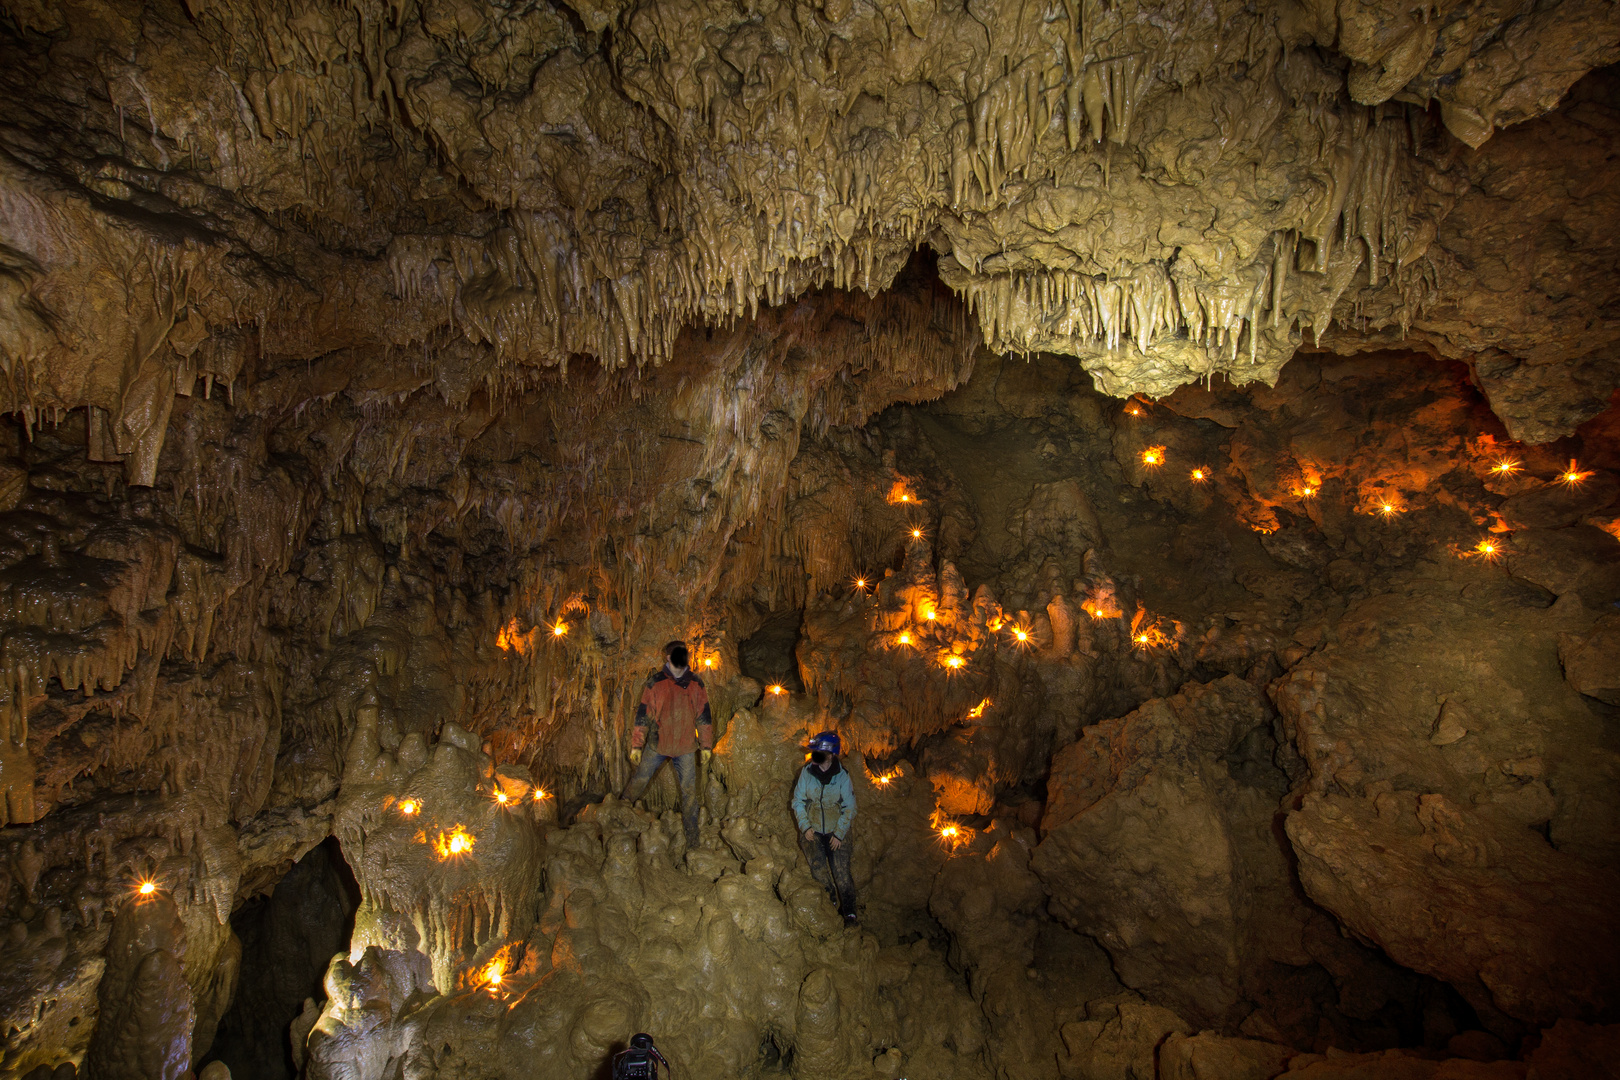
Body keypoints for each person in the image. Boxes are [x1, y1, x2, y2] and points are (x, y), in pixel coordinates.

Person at [623, 641, 713, 847]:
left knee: (689, 793)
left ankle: (692, 837)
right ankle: (617, 815)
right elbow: (643, 716)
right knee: (639, 781)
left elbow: (704, 717)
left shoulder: (696, 684)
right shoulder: (655, 683)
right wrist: (637, 745)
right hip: (657, 745)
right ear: (668, 658)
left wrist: (706, 746)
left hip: (686, 748)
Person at [792, 730, 857, 926]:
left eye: (818, 753)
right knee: (819, 869)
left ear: (830, 755)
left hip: (837, 829)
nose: (814, 756)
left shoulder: (842, 777)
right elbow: (797, 801)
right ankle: (830, 905)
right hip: (812, 829)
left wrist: (839, 834)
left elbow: (850, 807)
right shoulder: (806, 772)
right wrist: (805, 826)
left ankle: (850, 914)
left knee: (842, 873)